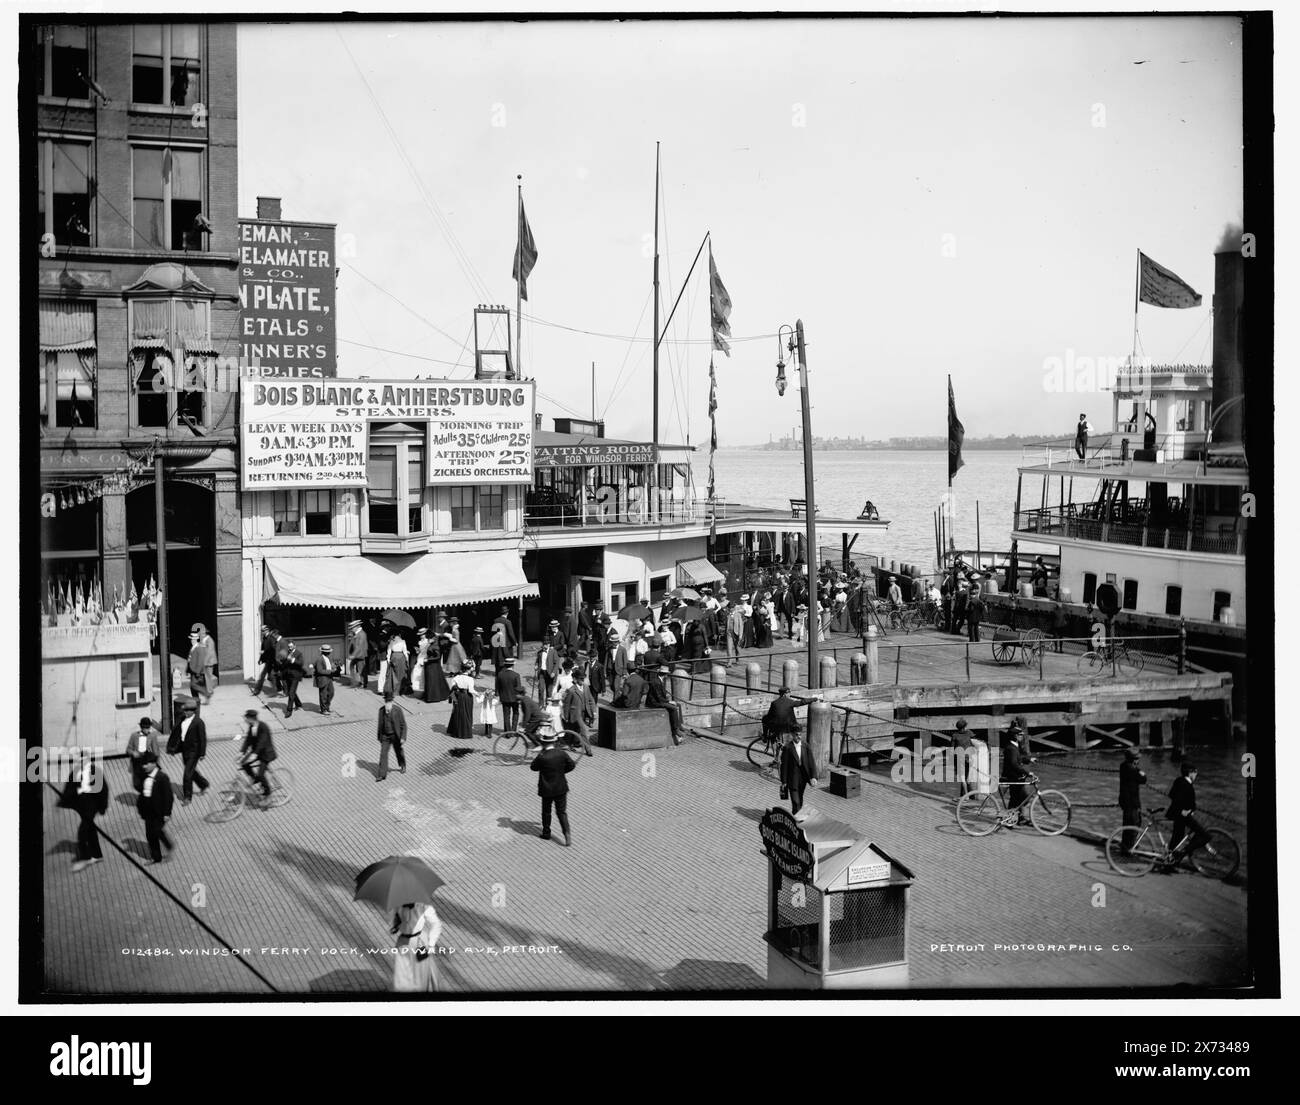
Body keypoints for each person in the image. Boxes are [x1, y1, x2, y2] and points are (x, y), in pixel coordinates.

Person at [530, 731, 578, 845]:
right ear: (554, 742)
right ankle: (567, 834)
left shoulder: (542, 756)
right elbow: (572, 765)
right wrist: (562, 772)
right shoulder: (561, 753)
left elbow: (533, 767)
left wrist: (540, 753)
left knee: (546, 811)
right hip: (561, 787)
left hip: (546, 789)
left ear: (543, 743)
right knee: (562, 812)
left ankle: (546, 832)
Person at [62, 755, 108, 872]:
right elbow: (70, 786)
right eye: (79, 761)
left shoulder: (96, 772)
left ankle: (85, 858)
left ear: (88, 761)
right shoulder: (76, 772)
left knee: (82, 833)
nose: (80, 763)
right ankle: (97, 855)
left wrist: (102, 807)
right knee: (91, 829)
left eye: (82, 761)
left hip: (92, 807)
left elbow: (103, 790)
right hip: (82, 806)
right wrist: (69, 796)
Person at [391, 902, 442, 992]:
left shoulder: (424, 905)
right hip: (402, 943)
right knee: (400, 978)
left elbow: (436, 924)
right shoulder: (397, 903)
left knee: (420, 979)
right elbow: (393, 921)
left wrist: (431, 944)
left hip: (419, 943)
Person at [136, 752, 174, 866]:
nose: (144, 766)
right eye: (143, 764)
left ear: (153, 764)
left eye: (146, 764)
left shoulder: (162, 777)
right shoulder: (144, 776)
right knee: (150, 834)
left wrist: (167, 813)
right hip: (148, 811)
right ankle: (156, 857)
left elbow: (169, 797)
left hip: (159, 812)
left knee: (156, 831)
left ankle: (168, 847)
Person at [170, 700, 209, 806]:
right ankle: (204, 784)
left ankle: (187, 797)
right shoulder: (183, 720)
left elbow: (202, 739)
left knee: (187, 775)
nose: (185, 712)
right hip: (184, 750)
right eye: (185, 710)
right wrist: (174, 748)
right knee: (191, 771)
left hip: (194, 752)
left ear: (193, 711)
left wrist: (202, 753)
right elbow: (179, 735)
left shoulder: (198, 722)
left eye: (187, 711)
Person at [1167, 761, 1207, 859]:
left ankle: (1171, 860)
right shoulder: (1185, 784)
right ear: (1190, 773)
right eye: (1195, 772)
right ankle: (1182, 853)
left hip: (1178, 815)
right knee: (1205, 835)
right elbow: (1178, 799)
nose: (1196, 774)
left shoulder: (1179, 780)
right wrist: (1182, 810)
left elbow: (1171, 794)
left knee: (1177, 837)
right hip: (1183, 815)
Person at [1001, 722, 1035, 825]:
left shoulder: (1013, 746)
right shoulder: (1011, 748)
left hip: (1015, 776)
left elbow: (1018, 759)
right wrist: (1027, 772)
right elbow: (1014, 764)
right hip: (1014, 777)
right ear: (1015, 736)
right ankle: (1012, 818)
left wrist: (1029, 759)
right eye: (1020, 735)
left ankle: (1018, 818)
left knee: (1018, 797)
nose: (1022, 736)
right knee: (1020, 797)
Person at [779, 728, 818, 817]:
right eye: (796, 735)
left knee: (800, 799)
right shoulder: (788, 748)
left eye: (800, 735)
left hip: (803, 778)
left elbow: (811, 762)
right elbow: (784, 766)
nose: (798, 737)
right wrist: (784, 781)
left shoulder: (806, 746)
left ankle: (796, 814)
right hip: (792, 778)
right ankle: (797, 819)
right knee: (796, 801)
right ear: (792, 735)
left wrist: (814, 776)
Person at [238, 708, 277, 798]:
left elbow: (262, 742)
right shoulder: (251, 727)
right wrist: (241, 752)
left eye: (246, 718)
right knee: (243, 764)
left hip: (266, 754)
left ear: (251, 718)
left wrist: (254, 754)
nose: (245, 720)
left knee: (260, 774)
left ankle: (268, 794)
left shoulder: (263, 727)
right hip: (257, 752)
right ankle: (255, 779)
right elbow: (248, 741)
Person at [645, 663, 685, 745]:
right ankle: (675, 729)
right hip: (654, 703)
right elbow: (659, 698)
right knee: (673, 708)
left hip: (659, 700)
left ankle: (679, 724)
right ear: (665, 674)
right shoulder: (656, 682)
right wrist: (669, 701)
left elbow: (661, 695)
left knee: (678, 705)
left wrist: (667, 699)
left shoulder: (660, 680)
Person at [560, 669, 596, 756]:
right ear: (575, 679)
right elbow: (566, 704)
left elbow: (591, 700)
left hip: (584, 713)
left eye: (583, 679)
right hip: (575, 714)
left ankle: (568, 743)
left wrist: (593, 711)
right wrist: (566, 716)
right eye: (581, 679)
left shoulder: (586, 687)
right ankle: (588, 749)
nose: (583, 681)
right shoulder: (571, 690)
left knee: (574, 730)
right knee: (583, 731)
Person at [376, 690, 407, 781]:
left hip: (395, 735)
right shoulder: (381, 711)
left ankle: (402, 765)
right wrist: (379, 737)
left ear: (392, 702)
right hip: (385, 736)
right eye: (386, 701)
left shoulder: (398, 710)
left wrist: (403, 737)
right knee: (383, 754)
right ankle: (382, 774)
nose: (387, 703)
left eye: (389, 701)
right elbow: (380, 724)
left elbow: (403, 725)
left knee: (398, 751)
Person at [1118, 749, 1147, 844]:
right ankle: (1129, 846)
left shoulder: (1123, 766)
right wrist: (1142, 773)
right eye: (1137, 759)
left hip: (1125, 800)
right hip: (1132, 802)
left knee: (1127, 824)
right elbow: (1143, 779)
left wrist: (1138, 770)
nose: (1138, 760)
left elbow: (1135, 770)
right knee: (1134, 824)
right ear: (1134, 760)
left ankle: (1125, 845)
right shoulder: (1132, 770)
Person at [127, 716, 162, 792]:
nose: (146, 730)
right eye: (145, 728)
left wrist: (157, 764)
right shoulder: (134, 736)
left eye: (148, 728)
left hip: (146, 761)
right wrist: (133, 753)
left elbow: (156, 751)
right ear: (141, 727)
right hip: (136, 762)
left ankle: (146, 797)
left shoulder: (152, 736)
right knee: (136, 784)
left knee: (147, 782)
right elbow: (128, 749)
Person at [495, 655, 523, 732]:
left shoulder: (500, 674)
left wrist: (498, 695)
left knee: (506, 715)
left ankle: (507, 732)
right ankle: (513, 730)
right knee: (516, 713)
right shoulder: (516, 675)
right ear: (513, 665)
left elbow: (497, 687)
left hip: (504, 698)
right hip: (514, 698)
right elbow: (518, 688)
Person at [448, 668, 476, 740]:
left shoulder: (456, 678)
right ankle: (465, 732)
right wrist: (478, 694)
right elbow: (471, 690)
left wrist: (454, 700)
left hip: (458, 696)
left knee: (457, 713)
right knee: (467, 713)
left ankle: (456, 732)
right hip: (467, 697)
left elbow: (452, 689)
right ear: (468, 670)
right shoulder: (470, 679)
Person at [251, 628, 281, 697]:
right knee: (270, 676)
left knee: (267, 676)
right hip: (268, 660)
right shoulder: (264, 638)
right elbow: (262, 649)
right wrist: (260, 659)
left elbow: (273, 649)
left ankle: (259, 690)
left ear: (267, 631)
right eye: (261, 631)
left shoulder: (271, 638)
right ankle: (279, 688)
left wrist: (265, 652)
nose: (262, 632)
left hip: (272, 660)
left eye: (263, 631)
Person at [281, 640, 306, 717]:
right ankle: (298, 704)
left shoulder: (298, 653)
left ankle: (289, 710)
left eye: (291, 647)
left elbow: (301, 663)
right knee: (291, 692)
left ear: (295, 646)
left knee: (291, 693)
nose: (290, 648)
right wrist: (285, 659)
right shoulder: (287, 653)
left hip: (295, 676)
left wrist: (292, 660)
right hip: (287, 676)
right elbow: (283, 664)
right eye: (289, 647)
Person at [186, 631, 210, 705]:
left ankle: (206, 694)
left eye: (192, 639)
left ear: (195, 640)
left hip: (197, 671)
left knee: (194, 685)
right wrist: (187, 670)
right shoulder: (194, 647)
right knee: (193, 687)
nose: (191, 640)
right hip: (193, 670)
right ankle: (196, 700)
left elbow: (200, 661)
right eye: (191, 639)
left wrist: (198, 672)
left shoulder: (199, 648)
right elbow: (190, 659)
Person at [535, 631, 560, 704]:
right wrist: (536, 665)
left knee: (549, 690)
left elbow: (556, 663)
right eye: (543, 644)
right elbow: (537, 661)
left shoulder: (553, 652)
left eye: (546, 644)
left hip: (549, 673)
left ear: (549, 644)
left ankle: (548, 704)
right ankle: (541, 704)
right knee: (541, 689)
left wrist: (553, 672)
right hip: (542, 673)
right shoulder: (539, 652)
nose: (544, 645)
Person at [490, 607, 517, 672]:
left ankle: (498, 673)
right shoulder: (508, 622)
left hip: (497, 643)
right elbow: (511, 633)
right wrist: (515, 642)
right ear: (507, 613)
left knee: (498, 659)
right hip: (506, 645)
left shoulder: (495, 621)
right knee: (506, 659)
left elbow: (493, 632)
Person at [951, 719, 973, 798]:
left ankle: (966, 796)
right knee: (968, 778)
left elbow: (952, 749)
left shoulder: (955, 735)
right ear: (964, 727)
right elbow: (975, 741)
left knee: (963, 778)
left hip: (960, 759)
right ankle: (970, 796)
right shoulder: (970, 733)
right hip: (969, 759)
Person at [314, 644, 337, 716]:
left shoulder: (328, 658)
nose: (330, 652)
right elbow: (319, 670)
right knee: (323, 695)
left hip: (329, 678)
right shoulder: (319, 660)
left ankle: (327, 706)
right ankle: (323, 709)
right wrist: (330, 671)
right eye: (329, 651)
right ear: (325, 652)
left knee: (331, 693)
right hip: (322, 679)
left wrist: (335, 667)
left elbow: (331, 665)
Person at [386, 632, 411, 697]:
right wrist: (407, 660)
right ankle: (401, 691)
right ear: (400, 635)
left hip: (394, 657)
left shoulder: (392, 641)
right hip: (401, 657)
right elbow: (405, 651)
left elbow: (389, 651)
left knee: (394, 675)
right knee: (402, 674)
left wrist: (388, 659)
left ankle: (395, 691)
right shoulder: (403, 641)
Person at [347, 620, 369, 689]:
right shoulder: (356, 633)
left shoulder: (361, 634)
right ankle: (355, 681)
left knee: (361, 669)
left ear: (357, 626)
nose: (351, 629)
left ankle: (363, 683)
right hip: (357, 654)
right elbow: (353, 644)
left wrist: (353, 654)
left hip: (360, 655)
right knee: (353, 667)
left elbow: (359, 646)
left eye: (352, 627)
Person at [725, 600, 745, 665]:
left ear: (734, 608)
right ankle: (729, 662)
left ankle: (737, 658)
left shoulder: (738, 615)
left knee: (737, 647)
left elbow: (741, 625)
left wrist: (740, 635)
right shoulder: (727, 615)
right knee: (729, 647)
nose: (730, 609)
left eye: (732, 607)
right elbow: (726, 624)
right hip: (729, 633)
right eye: (729, 608)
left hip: (736, 633)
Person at [411, 627, 429, 697]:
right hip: (419, 657)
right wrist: (417, 650)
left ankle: (424, 690)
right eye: (420, 634)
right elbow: (420, 651)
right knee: (416, 673)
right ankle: (421, 690)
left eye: (422, 634)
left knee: (422, 674)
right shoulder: (420, 641)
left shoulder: (427, 641)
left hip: (424, 657)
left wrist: (425, 659)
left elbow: (427, 651)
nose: (421, 636)